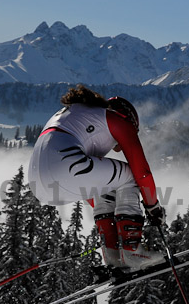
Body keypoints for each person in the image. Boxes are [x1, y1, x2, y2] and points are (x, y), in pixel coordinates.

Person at [28, 85, 166, 273]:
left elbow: (92, 187)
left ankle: (112, 256)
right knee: (130, 176)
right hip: (63, 165)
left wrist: (119, 215)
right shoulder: (116, 119)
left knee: (105, 185)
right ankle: (132, 251)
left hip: (38, 185)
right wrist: (153, 206)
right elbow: (141, 171)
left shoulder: (77, 115)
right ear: (129, 120)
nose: (116, 146)